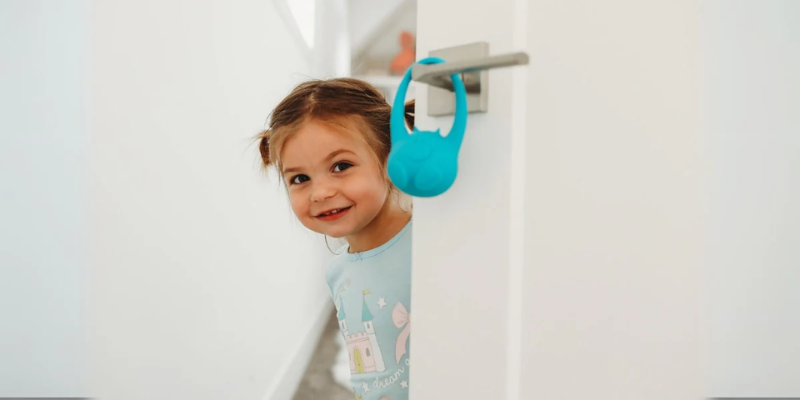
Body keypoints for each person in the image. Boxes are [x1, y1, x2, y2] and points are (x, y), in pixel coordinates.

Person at [257, 78, 414, 400]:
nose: (321, 192)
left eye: (341, 166)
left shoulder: (428, 248)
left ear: (389, 159)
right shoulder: (337, 273)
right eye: (300, 178)